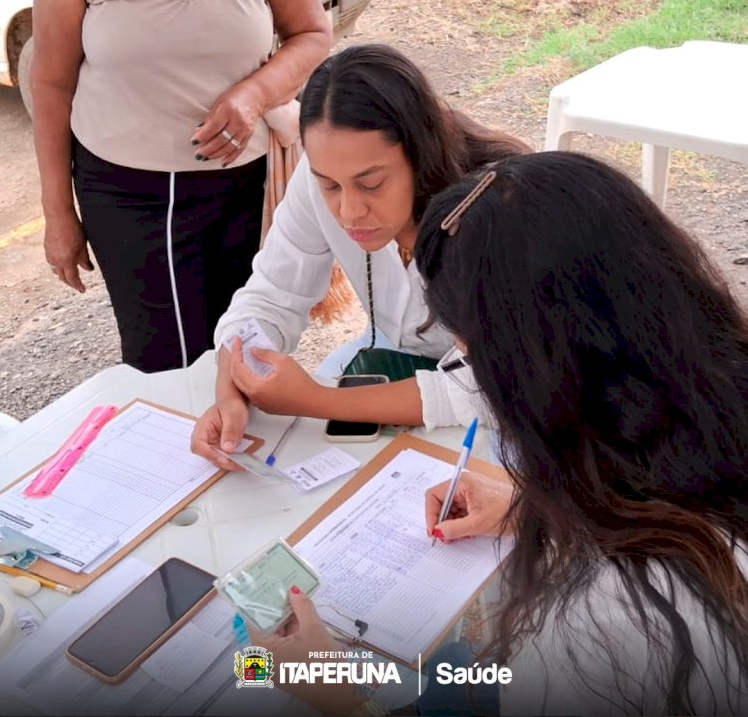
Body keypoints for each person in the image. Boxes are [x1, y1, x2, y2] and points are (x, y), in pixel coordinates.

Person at [251, 152, 748, 715]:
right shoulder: (710, 398)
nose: (464, 373)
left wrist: (335, 697)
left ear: (535, 374)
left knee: (262, 675)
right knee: (446, 667)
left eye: (466, 351)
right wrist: (538, 505)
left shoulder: (598, 627)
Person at [191, 43, 530, 467]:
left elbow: (491, 389)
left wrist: (316, 400)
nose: (349, 211)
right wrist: (232, 392)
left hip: (514, 407)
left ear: (421, 154)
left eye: (371, 184)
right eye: (329, 185)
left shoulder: (495, 209)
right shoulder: (321, 175)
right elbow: (271, 296)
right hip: (398, 364)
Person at [30, 0, 331, 372]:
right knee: (164, 362)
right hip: (128, 196)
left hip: (248, 186)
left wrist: (255, 94)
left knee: (249, 349)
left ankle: (241, 436)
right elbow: (51, 84)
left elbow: (311, 35)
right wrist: (58, 213)